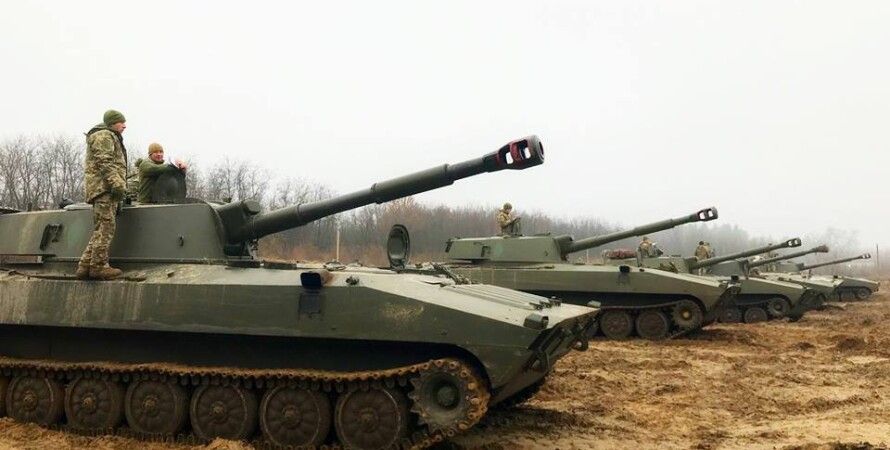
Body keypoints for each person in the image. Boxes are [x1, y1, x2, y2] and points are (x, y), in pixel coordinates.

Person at [76, 110, 128, 280]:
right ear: (112, 123)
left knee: (101, 228)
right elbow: (105, 161)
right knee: (106, 228)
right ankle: (99, 267)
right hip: (104, 189)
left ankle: (85, 265)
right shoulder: (104, 135)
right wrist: (117, 184)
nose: (124, 126)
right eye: (121, 122)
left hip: (103, 188)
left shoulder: (107, 135)